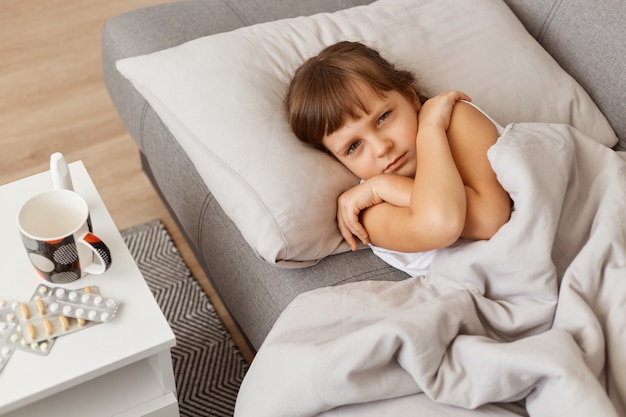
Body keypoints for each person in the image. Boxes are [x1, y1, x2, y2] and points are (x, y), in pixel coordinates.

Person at [285, 41, 511, 275]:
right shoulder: (369, 213)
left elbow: (490, 220)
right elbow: (441, 223)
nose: (382, 147)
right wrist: (382, 187)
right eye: (353, 146)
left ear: (411, 97)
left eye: (383, 117)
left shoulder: (453, 121)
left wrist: (430, 130)